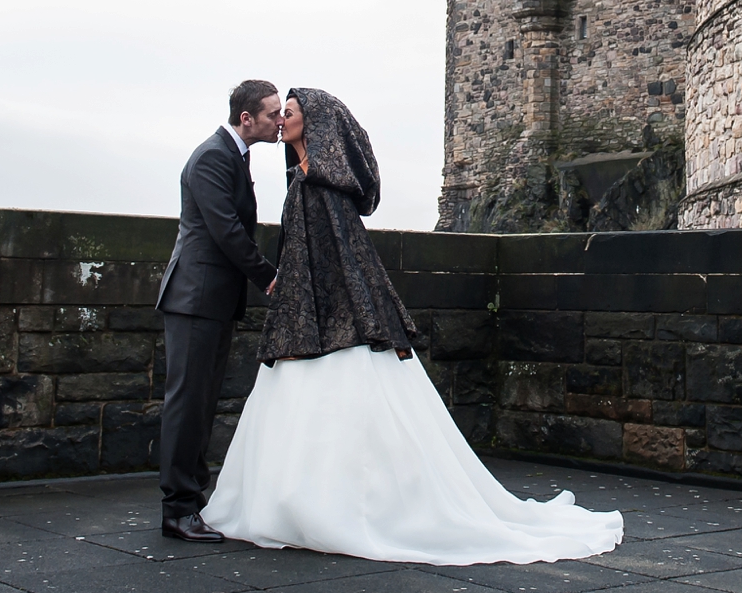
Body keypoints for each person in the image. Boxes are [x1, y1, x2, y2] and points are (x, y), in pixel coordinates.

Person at [201, 87, 623, 564]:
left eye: (289, 113)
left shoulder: (321, 190)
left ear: (313, 125)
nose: (280, 120)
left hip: (334, 330)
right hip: (309, 329)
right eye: (278, 113)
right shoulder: (303, 183)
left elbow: (341, 263)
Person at [155, 78, 282, 542]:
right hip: (194, 299)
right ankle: (177, 510)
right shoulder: (213, 156)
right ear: (246, 118)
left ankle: (192, 499)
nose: (279, 121)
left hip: (210, 299)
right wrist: (269, 276)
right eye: (272, 114)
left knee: (201, 404)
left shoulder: (235, 156)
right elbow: (227, 232)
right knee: (187, 404)